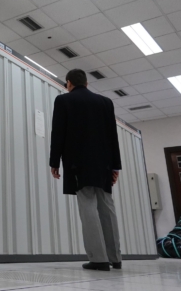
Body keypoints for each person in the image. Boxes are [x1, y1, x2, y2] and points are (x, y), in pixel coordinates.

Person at [50, 69, 122, 272]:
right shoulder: (106, 102)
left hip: (78, 163)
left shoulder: (63, 100)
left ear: (69, 83)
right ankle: (115, 258)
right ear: (87, 83)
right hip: (104, 163)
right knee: (107, 206)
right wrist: (115, 166)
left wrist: (54, 162)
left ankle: (98, 259)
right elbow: (112, 135)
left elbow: (58, 133)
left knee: (88, 206)